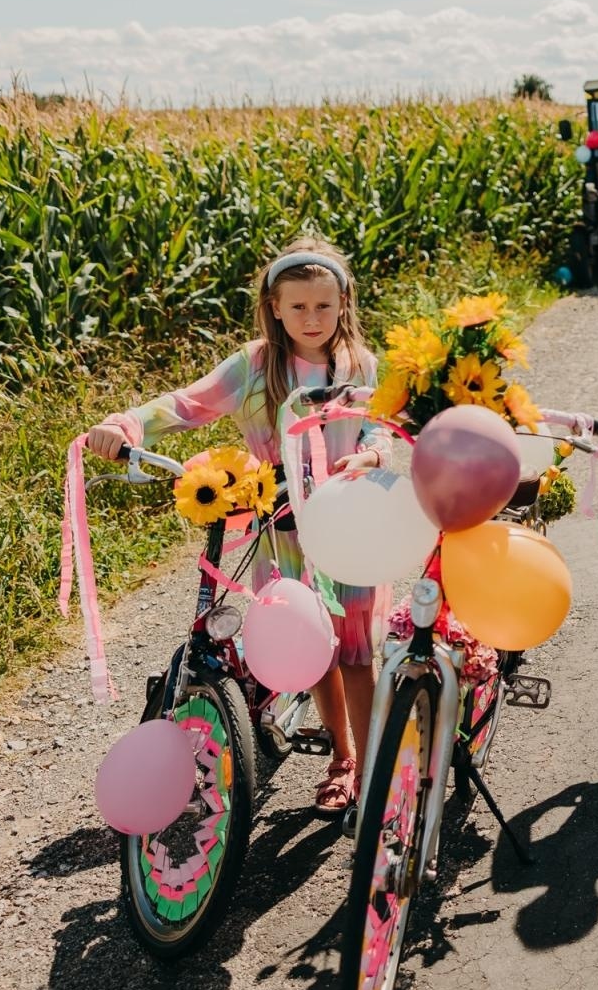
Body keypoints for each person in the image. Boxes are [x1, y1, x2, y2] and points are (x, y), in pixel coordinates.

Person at [86, 237, 389, 816]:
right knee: (314, 645)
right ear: (274, 307)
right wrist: (126, 423)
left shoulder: (359, 366)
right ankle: (342, 759)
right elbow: (186, 404)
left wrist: (371, 456)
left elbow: (378, 425)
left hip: (348, 519)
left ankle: (373, 764)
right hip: (282, 525)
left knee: (354, 650)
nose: (312, 318)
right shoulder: (254, 366)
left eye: (324, 306)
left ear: (344, 303)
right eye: (298, 307)